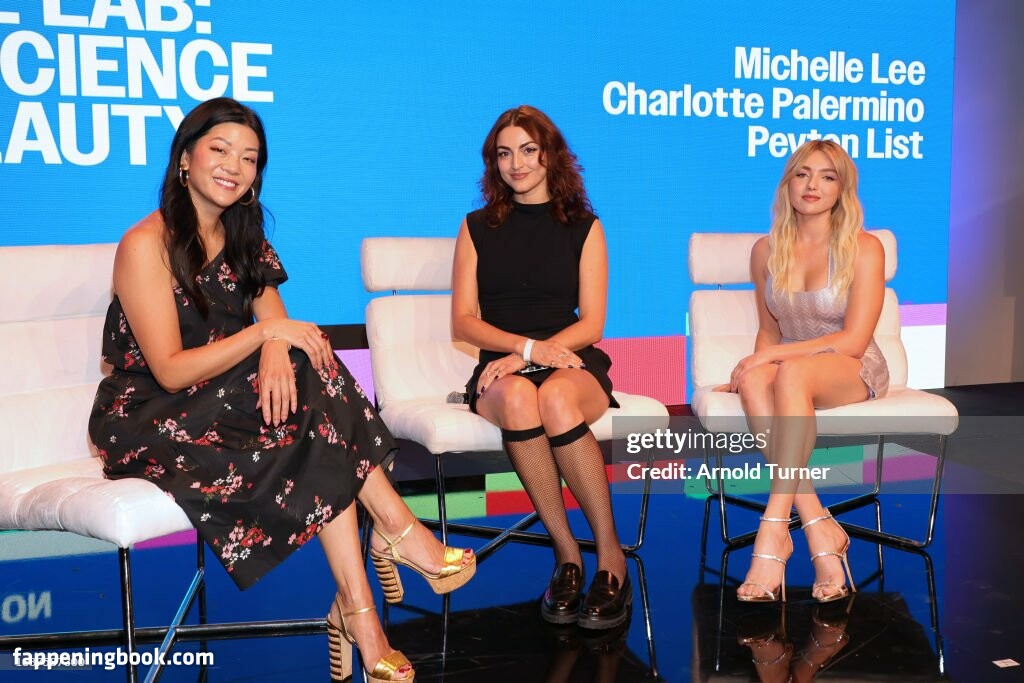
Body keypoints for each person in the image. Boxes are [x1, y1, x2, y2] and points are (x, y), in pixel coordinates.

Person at [88, 97, 475, 682]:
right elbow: (168, 370)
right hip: (150, 413)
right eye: (220, 150)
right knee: (313, 409)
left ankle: (363, 610)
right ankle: (394, 537)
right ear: (185, 157)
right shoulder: (147, 243)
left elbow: (286, 330)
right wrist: (266, 335)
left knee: (311, 381)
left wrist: (274, 340)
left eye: (249, 158)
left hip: (218, 399)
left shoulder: (244, 237)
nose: (234, 166)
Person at [451, 105, 629, 629]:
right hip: (501, 368)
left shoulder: (584, 227)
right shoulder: (476, 227)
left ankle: (611, 557)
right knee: (519, 396)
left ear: (551, 154)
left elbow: (592, 323)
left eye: (528, 150)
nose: (517, 164)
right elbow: (464, 322)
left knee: (552, 395)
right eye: (504, 153)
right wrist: (524, 351)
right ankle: (567, 556)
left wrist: (533, 353)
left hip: (570, 357)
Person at [718, 139, 888, 604]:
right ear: (788, 184)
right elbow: (769, 331)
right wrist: (758, 363)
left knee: (787, 372)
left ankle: (773, 529)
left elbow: (854, 340)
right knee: (757, 379)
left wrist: (772, 358)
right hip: (791, 362)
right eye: (802, 174)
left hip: (851, 365)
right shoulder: (765, 250)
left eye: (827, 176)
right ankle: (818, 527)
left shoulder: (865, 248)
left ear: (842, 189)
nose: (813, 185)